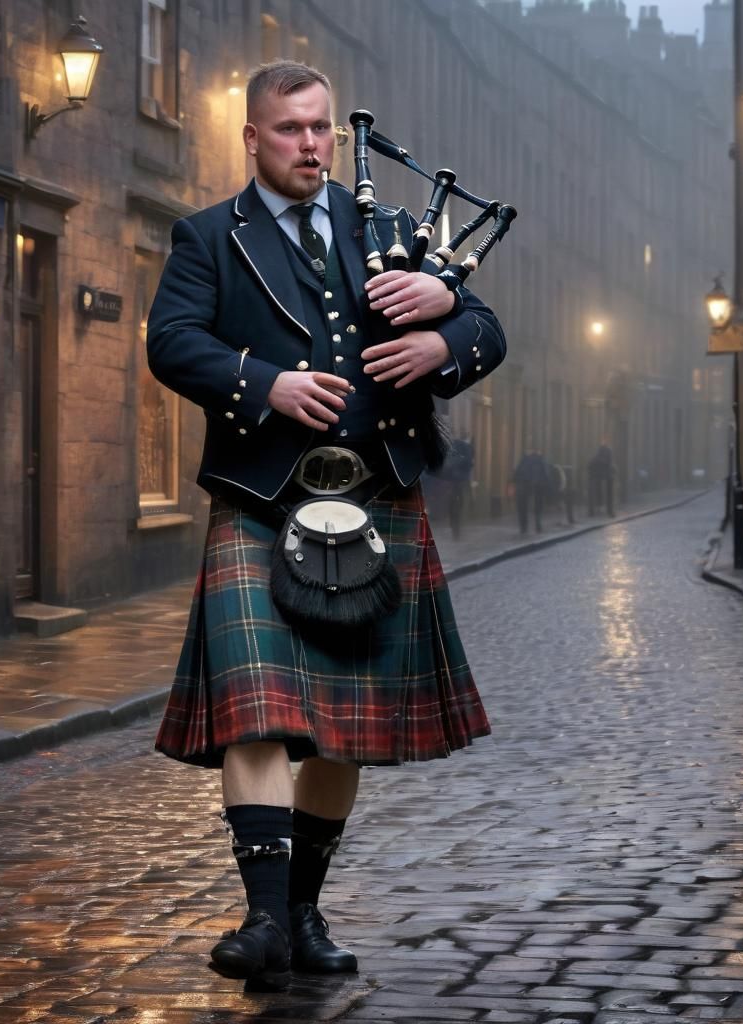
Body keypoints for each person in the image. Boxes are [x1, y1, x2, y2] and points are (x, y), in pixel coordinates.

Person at [146, 60, 506, 991]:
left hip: (377, 501)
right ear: (253, 139)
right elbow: (172, 342)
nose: (311, 144)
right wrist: (266, 384)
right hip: (264, 502)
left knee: (343, 729)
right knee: (259, 716)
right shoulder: (206, 240)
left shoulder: (390, 229)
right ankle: (263, 921)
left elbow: (488, 331)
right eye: (290, 129)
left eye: (321, 129)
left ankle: (301, 912)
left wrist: (444, 327)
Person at [512, 447, 550, 534]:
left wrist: (514, 480)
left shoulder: (525, 459)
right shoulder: (540, 459)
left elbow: (518, 472)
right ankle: (537, 523)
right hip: (538, 486)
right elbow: (546, 474)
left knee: (523, 506)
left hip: (525, 485)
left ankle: (524, 527)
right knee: (538, 506)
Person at [587, 442, 615, 517]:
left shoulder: (595, 460)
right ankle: (608, 510)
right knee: (606, 491)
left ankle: (593, 510)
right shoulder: (605, 460)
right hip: (598, 474)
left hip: (596, 474)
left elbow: (589, 467)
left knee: (595, 490)